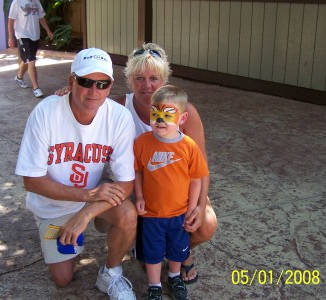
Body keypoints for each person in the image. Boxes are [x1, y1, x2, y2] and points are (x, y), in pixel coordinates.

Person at [56, 43, 218, 284]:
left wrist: (198, 203)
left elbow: (201, 168)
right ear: (129, 80)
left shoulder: (186, 113)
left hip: (174, 192)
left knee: (206, 223)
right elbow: (87, 100)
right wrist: (67, 96)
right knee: (122, 214)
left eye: (154, 78)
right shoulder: (117, 106)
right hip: (134, 190)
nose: (147, 85)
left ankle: (180, 251)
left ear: (165, 80)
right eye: (139, 78)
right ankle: (141, 246)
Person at [15, 48, 137, 300]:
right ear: (71, 81)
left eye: (102, 84)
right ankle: (57, 233)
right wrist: (87, 195)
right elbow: (32, 181)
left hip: (93, 198)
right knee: (63, 279)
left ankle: (111, 273)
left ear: (110, 85)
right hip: (54, 204)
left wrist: (86, 212)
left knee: (127, 213)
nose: (94, 91)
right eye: (85, 82)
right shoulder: (45, 113)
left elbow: (126, 183)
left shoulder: (119, 117)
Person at [134, 85, 209, 300]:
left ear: (182, 118)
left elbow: (196, 179)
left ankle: (174, 276)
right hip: (151, 213)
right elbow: (138, 171)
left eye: (167, 115)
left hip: (178, 213)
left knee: (177, 249)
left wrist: (193, 207)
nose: (159, 120)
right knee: (153, 252)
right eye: (155, 113)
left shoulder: (189, 146)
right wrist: (139, 196)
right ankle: (154, 285)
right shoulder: (142, 143)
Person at [7, 0, 53, 98]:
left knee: (27, 59)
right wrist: (11, 37)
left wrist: (48, 30)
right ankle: (36, 88)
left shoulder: (37, 1)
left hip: (35, 35)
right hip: (23, 35)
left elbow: (41, 17)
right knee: (31, 60)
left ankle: (19, 77)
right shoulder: (17, 2)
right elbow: (11, 21)